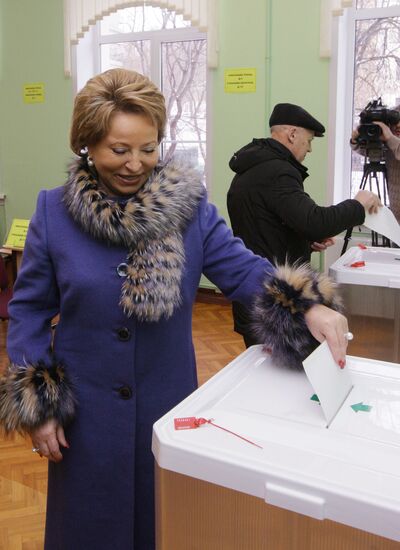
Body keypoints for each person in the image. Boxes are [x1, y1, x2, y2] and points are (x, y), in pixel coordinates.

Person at [0, 71, 350, 550]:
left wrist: (306, 306)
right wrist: (39, 403)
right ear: (86, 144)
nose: (135, 164)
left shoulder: (189, 210)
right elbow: (30, 311)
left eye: (148, 148)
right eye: (118, 150)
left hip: (170, 407)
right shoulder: (52, 213)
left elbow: (243, 271)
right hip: (87, 416)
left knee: (167, 526)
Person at [227, 102, 381, 348]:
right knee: (281, 377)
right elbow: (315, 222)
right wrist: (358, 205)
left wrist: (305, 242)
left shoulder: (253, 167)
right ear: (292, 134)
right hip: (275, 298)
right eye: (309, 141)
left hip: (255, 294)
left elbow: (264, 227)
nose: (309, 149)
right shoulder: (278, 171)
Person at [351, 109, 400, 223]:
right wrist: (356, 140)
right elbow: (372, 152)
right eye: (396, 121)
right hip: (396, 211)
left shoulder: (391, 139)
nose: (398, 125)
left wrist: (390, 138)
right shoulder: (390, 139)